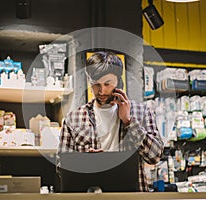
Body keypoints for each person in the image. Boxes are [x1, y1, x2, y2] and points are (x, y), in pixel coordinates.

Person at [57, 51, 164, 192]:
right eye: (96, 85)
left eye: (107, 84)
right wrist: (85, 162)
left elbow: (154, 156)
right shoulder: (73, 119)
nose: (101, 91)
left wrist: (128, 121)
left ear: (118, 82)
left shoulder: (141, 112)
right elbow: (61, 168)